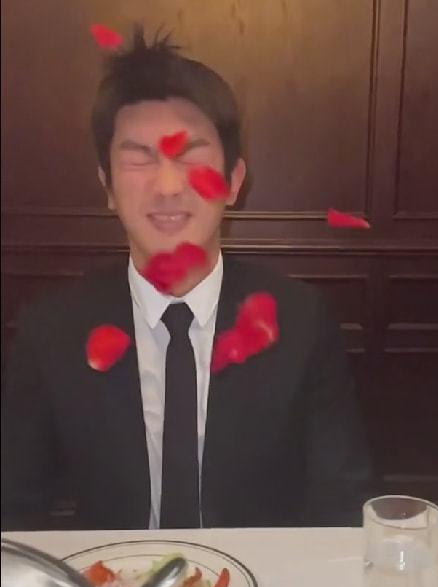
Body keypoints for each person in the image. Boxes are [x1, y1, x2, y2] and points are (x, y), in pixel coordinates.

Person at [1, 26, 371, 531]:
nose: (168, 186)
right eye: (139, 158)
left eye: (191, 156)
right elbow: (14, 511)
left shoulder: (301, 322)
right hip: (114, 577)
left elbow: (343, 506)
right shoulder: (51, 330)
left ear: (233, 182)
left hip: (258, 577)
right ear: (106, 184)